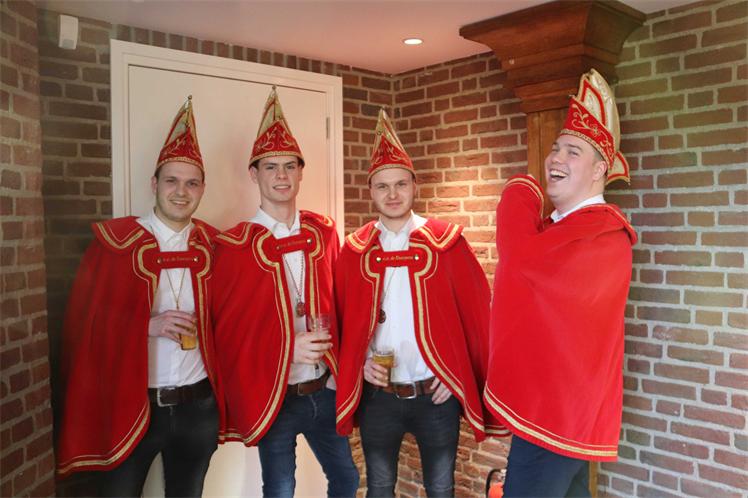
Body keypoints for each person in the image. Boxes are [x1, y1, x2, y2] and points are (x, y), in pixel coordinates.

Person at [56, 96, 224, 498]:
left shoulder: (215, 245)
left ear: (202, 189)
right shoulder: (117, 243)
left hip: (198, 405)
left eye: (192, 183)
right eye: (171, 181)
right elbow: (85, 325)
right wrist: (146, 325)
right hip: (134, 405)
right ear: (154, 184)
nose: (181, 192)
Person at [335, 109, 507, 498]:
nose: (392, 194)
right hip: (380, 397)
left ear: (415, 186)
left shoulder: (447, 243)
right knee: (379, 488)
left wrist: (455, 375)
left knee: (441, 489)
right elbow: (343, 324)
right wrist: (359, 365)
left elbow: (477, 318)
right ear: (371, 191)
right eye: (382, 186)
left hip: (434, 396)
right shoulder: (354, 250)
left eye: (400, 184)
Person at [484, 69, 637, 497]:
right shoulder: (566, 229)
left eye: (572, 151)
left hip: (556, 418)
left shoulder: (599, 231)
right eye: (555, 148)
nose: (555, 158)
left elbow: (520, 259)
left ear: (600, 169)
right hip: (555, 414)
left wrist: (520, 188)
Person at [211, 87, 359, 498]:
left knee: (347, 479)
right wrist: (287, 348)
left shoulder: (323, 231)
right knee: (279, 489)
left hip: (323, 389)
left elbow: (343, 303)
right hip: (275, 395)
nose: (281, 176)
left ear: (300, 173)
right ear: (254, 174)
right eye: (271, 167)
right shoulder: (236, 245)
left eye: (290, 166)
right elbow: (227, 333)